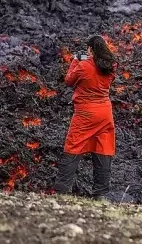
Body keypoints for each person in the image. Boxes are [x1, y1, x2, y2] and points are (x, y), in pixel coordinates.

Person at [52, 35, 117, 200]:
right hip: (105, 113)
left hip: (85, 113)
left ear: (90, 49)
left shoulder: (83, 66)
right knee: (103, 148)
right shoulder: (111, 65)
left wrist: (75, 60)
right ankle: (101, 194)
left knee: (73, 146)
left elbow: (68, 81)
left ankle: (62, 190)